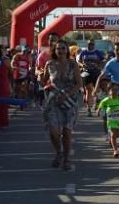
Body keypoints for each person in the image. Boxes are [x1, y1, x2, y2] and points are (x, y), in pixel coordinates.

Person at [41, 41, 82, 171]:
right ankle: (59, 152)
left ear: (67, 50)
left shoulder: (72, 64)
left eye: (63, 48)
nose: (61, 51)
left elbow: (79, 84)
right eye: (58, 48)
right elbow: (44, 81)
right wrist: (40, 77)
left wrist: (67, 94)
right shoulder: (50, 64)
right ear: (55, 50)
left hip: (70, 101)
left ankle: (66, 159)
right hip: (54, 101)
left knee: (67, 132)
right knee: (54, 132)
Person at [97, 82, 119, 159]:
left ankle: (111, 140)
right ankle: (115, 150)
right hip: (110, 120)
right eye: (113, 90)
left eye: (117, 90)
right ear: (109, 91)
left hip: (117, 120)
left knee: (117, 135)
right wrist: (98, 110)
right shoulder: (107, 100)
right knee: (113, 135)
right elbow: (101, 104)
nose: (115, 91)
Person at [77, 40, 106, 116]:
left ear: (94, 45)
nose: (91, 45)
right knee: (88, 90)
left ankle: (97, 104)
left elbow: (103, 60)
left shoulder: (98, 52)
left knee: (97, 90)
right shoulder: (83, 52)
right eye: (89, 44)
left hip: (96, 73)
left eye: (92, 44)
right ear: (87, 44)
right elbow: (79, 61)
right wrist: (82, 65)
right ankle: (89, 109)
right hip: (86, 73)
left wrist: (99, 66)